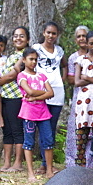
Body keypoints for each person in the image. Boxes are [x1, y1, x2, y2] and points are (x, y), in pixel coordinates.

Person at [65, 25, 93, 167]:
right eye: (91, 43)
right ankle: (79, 168)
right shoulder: (79, 59)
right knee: (81, 137)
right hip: (82, 103)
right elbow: (76, 82)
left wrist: (88, 78)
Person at [0, 26, 30, 172]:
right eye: (15, 36)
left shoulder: (25, 56)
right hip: (6, 96)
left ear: (27, 39)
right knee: (7, 130)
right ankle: (7, 162)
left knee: (17, 130)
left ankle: (18, 163)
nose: (18, 39)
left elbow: (12, 75)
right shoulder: (10, 56)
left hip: (18, 96)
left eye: (22, 36)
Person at [17, 47, 55, 181]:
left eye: (35, 59)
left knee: (48, 140)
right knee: (29, 142)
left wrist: (35, 97)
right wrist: (42, 94)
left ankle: (49, 170)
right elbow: (30, 91)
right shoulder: (22, 76)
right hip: (29, 113)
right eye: (31, 59)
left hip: (43, 113)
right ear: (24, 60)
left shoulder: (42, 76)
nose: (33, 62)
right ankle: (30, 173)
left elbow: (51, 93)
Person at [33, 22, 67, 151]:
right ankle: (43, 160)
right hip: (41, 91)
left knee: (52, 126)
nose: (51, 36)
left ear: (57, 35)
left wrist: (62, 79)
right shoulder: (36, 48)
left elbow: (64, 65)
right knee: (42, 126)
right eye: (48, 32)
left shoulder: (59, 50)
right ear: (43, 33)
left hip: (57, 91)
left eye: (54, 33)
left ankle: (46, 162)